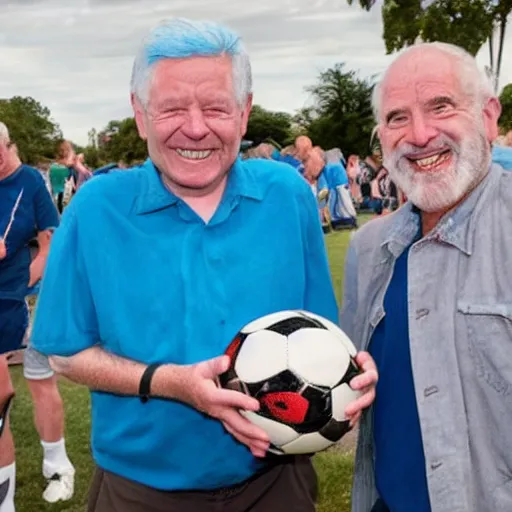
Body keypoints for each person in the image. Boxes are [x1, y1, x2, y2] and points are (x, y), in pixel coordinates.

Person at [30, 18, 377, 512]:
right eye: (172, 108)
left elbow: (319, 334)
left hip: (277, 484)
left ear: (244, 110)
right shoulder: (96, 208)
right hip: (140, 491)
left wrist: (352, 376)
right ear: (141, 113)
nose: (195, 128)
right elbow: (64, 352)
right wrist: (170, 382)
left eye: (215, 107)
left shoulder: (288, 196)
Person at [341, 41, 512, 512]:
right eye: (398, 117)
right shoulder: (368, 249)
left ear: (488, 115)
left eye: (441, 106)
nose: (419, 135)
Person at [0, 122, 75, 512]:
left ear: (8, 146)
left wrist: (20, 286)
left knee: (38, 378)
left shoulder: (30, 182)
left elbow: (50, 247)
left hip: (36, 294)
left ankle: (58, 468)